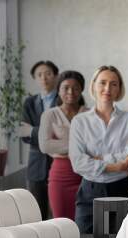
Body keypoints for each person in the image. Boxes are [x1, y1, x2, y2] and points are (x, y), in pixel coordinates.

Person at [69, 65, 128, 233]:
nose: (107, 88)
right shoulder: (80, 121)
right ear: (93, 86)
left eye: (114, 84)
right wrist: (117, 165)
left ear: (119, 89)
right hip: (90, 190)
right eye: (103, 83)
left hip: (122, 188)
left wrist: (98, 160)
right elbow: (78, 163)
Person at [39, 70, 88, 220]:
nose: (70, 92)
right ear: (58, 90)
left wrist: (61, 145)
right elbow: (45, 145)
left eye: (76, 88)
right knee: (61, 223)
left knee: (84, 223)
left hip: (86, 174)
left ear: (81, 90)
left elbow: (96, 145)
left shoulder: (89, 114)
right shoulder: (50, 114)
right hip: (61, 175)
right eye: (65, 87)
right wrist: (79, 146)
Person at [20, 60, 59, 220]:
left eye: (48, 73)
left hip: (60, 163)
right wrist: (48, 135)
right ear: (35, 78)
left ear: (56, 76)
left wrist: (33, 131)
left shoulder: (65, 98)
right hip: (36, 165)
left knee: (59, 214)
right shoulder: (29, 102)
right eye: (39, 75)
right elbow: (24, 134)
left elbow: (67, 134)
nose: (44, 78)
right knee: (38, 214)